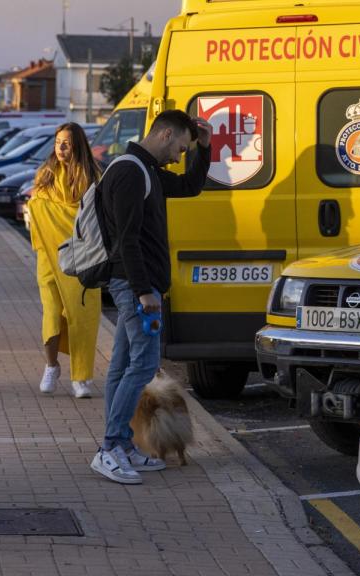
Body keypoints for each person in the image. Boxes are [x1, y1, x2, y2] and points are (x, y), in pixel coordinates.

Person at [91, 110, 213, 485]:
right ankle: (109, 448)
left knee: (123, 365)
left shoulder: (144, 170)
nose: (179, 155)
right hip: (134, 286)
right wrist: (145, 291)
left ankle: (123, 444)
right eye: (179, 146)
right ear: (163, 134)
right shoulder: (130, 172)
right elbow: (126, 240)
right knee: (142, 367)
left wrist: (204, 148)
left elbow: (190, 186)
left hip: (136, 284)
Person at [28, 123, 102, 399]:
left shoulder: (93, 176)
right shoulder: (45, 175)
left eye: (67, 143)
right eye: (58, 142)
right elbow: (36, 208)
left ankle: (81, 376)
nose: (60, 147)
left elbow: (96, 218)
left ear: (77, 146)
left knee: (81, 315)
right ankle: (51, 365)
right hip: (49, 256)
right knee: (52, 314)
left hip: (82, 257)